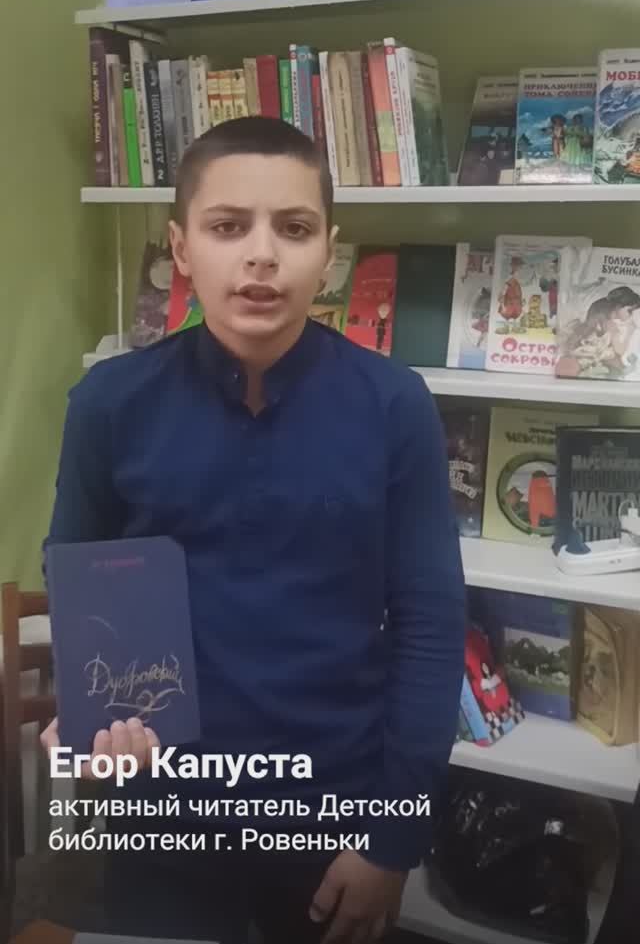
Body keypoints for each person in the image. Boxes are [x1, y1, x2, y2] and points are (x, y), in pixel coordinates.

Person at [41, 117, 466, 944]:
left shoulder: (394, 406)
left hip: (333, 813)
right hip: (162, 812)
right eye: (228, 226)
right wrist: (89, 712)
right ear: (181, 247)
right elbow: (77, 576)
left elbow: (430, 625)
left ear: (330, 252)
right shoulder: (109, 404)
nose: (261, 255)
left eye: (294, 229)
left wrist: (394, 835)